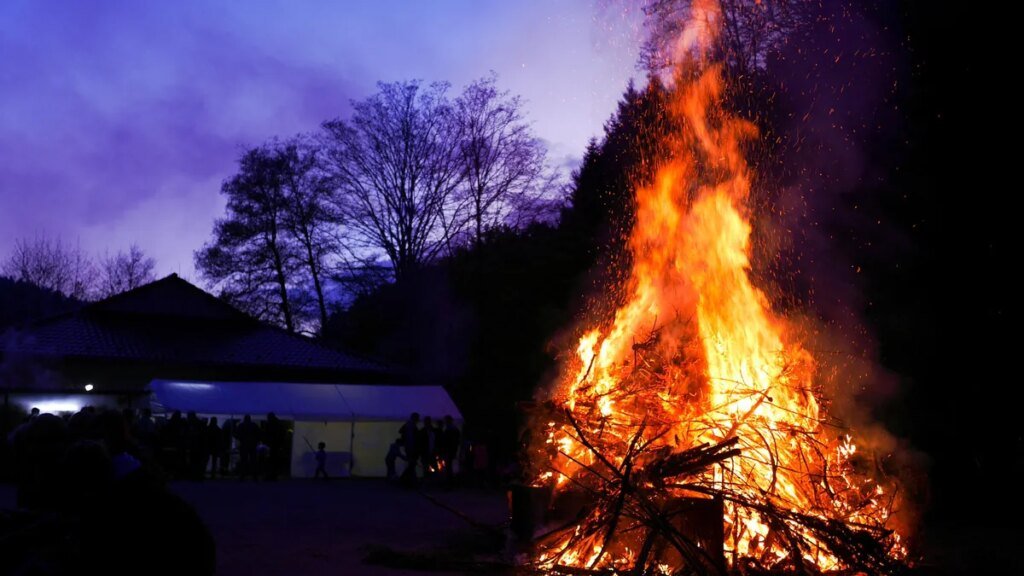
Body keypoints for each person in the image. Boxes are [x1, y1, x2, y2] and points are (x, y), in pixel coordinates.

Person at [234, 414, 260, 480]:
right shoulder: (254, 425)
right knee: (253, 461)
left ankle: (242, 476)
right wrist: (256, 441)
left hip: (244, 445)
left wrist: (241, 439)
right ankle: (255, 476)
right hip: (252, 445)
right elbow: (258, 434)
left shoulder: (241, 425)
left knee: (243, 461)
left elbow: (237, 435)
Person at [398, 412, 420, 487]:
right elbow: (413, 438)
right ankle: (404, 480)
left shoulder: (408, 425)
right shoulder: (411, 425)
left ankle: (407, 481)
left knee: (411, 465)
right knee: (412, 465)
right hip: (411, 448)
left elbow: (400, 431)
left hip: (409, 447)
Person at [441, 415, 461, 486]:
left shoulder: (450, 430)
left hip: (449, 451)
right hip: (451, 451)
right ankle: (452, 483)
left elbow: (450, 442)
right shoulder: (453, 429)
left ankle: (450, 483)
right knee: (450, 467)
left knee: (450, 467)